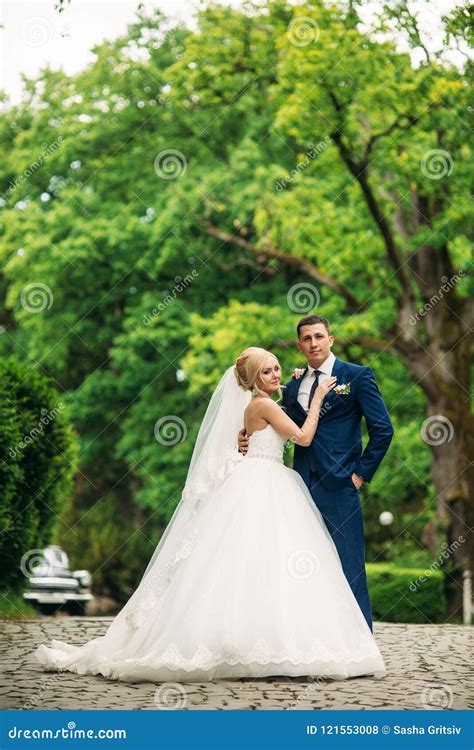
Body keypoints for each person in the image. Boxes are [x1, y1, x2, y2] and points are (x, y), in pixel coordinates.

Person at [35, 347, 386, 682]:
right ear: (251, 379)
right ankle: (260, 644)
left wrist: (289, 391)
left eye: (277, 367)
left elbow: (272, 427)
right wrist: (321, 393)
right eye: (266, 370)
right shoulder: (263, 405)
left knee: (259, 565)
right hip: (266, 483)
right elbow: (304, 438)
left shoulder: (259, 405)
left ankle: (259, 638)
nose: (276, 373)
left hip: (261, 480)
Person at [239, 316, 394, 631]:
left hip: (339, 484)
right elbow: (284, 426)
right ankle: (313, 637)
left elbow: (383, 430)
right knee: (303, 565)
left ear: (331, 339)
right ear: (299, 345)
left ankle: (360, 641)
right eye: (306, 339)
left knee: (349, 564)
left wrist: (360, 474)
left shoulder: (357, 376)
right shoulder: (294, 383)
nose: (313, 343)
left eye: (319, 336)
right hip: (297, 487)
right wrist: (248, 435)